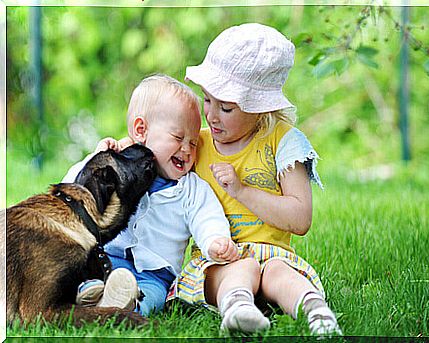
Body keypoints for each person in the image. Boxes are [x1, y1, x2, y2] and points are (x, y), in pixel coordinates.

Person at [167, 23, 342, 336]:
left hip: (272, 255)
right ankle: (238, 309)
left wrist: (241, 190)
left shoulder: (283, 142)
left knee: (277, 273)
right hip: (219, 259)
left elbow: (300, 219)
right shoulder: (197, 143)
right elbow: (156, 160)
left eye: (227, 107)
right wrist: (119, 147)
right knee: (239, 269)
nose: (212, 115)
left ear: (262, 108)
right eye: (207, 100)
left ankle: (316, 312)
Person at [62, 74, 239, 316]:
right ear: (141, 130)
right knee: (83, 268)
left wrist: (215, 241)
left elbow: (206, 216)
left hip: (154, 275)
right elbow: (71, 189)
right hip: (105, 260)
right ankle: (90, 293)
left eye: (194, 142)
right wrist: (95, 164)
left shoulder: (190, 188)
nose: (187, 149)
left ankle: (129, 306)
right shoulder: (117, 168)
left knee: (154, 296)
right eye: (178, 138)